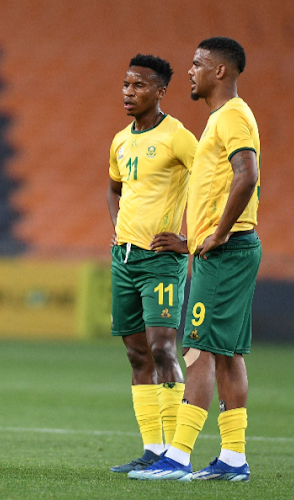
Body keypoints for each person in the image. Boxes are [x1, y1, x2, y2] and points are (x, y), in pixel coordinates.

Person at [131, 36, 261, 482]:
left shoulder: (233, 117)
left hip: (228, 251)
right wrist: (197, 239)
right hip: (229, 248)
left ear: (220, 71)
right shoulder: (220, 119)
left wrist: (218, 234)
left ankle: (178, 456)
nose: (190, 70)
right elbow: (225, 186)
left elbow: (247, 176)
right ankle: (233, 459)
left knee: (198, 351)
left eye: (197, 63)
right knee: (227, 354)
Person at [106, 55, 198, 473]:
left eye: (139, 85)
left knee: (162, 346)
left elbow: (210, 186)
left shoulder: (179, 137)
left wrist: (188, 241)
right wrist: (119, 227)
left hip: (161, 261)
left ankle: (177, 453)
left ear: (160, 91)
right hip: (124, 257)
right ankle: (152, 450)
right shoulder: (120, 140)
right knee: (136, 354)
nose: (129, 92)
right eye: (126, 84)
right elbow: (113, 189)